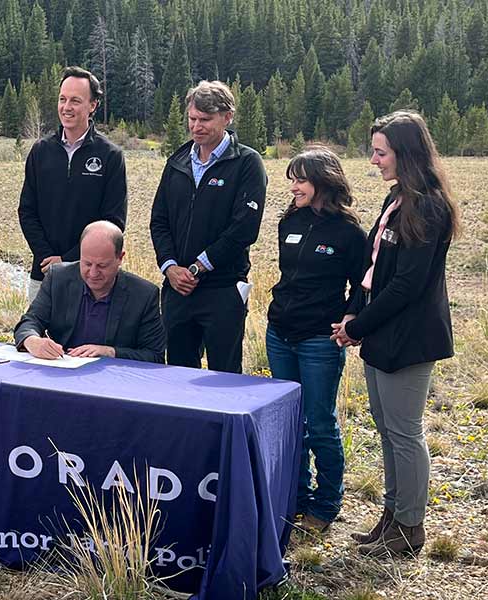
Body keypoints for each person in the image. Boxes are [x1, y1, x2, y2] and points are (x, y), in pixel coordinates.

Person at [331, 111, 460, 557]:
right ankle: (391, 517)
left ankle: (409, 527)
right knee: (388, 430)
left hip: (409, 337)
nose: (373, 160)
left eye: (380, 152)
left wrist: (358, 326)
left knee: (404, 433)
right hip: (382, 332)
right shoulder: (397, 199)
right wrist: (355, 313)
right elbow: (373, 269)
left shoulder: (428, 206)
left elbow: (407, 284)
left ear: (405, 153)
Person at [266, 146, 366, 536]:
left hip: (320, 340)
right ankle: (295, 497)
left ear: (324, 182)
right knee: (289, 422)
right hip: (280, 334)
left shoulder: (349, 232)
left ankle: (325, 505)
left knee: (319, 423)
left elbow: (362, 286)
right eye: (292, 180)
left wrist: (350, 318)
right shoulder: (289, 221)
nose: (293, 187)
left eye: (301, 180)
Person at [149, 80, 267, 373]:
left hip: (222, 289)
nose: (196, 126)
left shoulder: (247, 163)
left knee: (224, 379)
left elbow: (244, 228)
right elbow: (159, 220)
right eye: (192, 119)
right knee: (177, 376)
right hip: (178, 289)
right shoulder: (177, 161)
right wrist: (170, 267)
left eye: (205, 119)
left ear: (227, 117)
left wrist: (199, 267)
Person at [18, 66, 127, 301]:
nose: (66, 107)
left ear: (93, 105)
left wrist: (68, 260)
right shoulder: (40, 151)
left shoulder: (110, 156)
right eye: (62, 99)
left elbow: (113, 221)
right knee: (38, 326)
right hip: (43, 273)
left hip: (91, 277)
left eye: (75, 101)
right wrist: (46, 256)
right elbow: (27, 211)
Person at [14, 221, 164, 363]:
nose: (93, 273)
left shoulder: (144, 295)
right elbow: (30, 321)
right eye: (87, 263)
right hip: (62, 370)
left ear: (120, 258)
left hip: (113, 377)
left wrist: (110, 352)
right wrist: (32, 340)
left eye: (102, 266)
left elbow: (154, 356)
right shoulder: (58, 278)